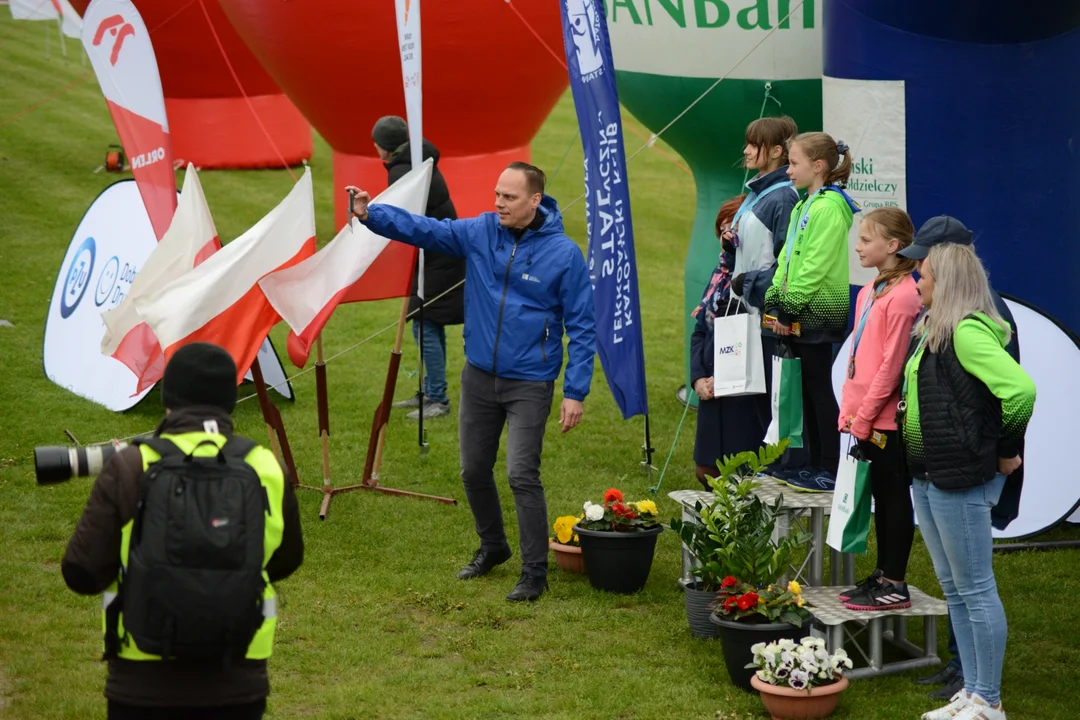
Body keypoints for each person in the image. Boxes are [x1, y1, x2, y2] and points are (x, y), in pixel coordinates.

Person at [345, 162, 595, 602]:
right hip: (479, 374)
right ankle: (493, 546)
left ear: (535, 201)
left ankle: (534, 571)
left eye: (509, 197)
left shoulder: (564, 255)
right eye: (497, 194)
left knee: (521, 474)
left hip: (530, 382)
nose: (498, 202)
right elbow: (427, 231)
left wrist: (574, 392)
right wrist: (372, 215)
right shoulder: (481, 231)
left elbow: (583, 325)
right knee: (473, 469)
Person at [62, 342, 304, 720]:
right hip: (237, 677)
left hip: (142, 677)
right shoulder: (267, 467)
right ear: (230, 400)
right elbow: (286, 560)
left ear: (167, 397)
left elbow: (82, 572)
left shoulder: (132, 463)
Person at [901, 243, 1035, 720]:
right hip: (931, 475)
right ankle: (974, 692)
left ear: (948, 282)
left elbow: (1020, 390)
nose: (917, 282)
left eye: (924, 275)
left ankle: (989, 700)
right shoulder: (935, 328)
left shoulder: (966, 333)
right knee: (955, 589)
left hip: (960, 478)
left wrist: (1005, 451)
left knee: (975, 589)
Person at [835, 208, 922, 612]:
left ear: (893, 246)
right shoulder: (871, 290)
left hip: (885, 419)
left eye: (866, 240)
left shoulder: (905, 295)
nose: (858, 246)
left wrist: (867, 414)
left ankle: (896, 582)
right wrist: (851, 409)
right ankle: (883, 574)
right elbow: (860, 357)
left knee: (892, 497)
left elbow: (891, 366)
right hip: (864, 414)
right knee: (878, 499)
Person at [763, 132, 860, 491]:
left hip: (818, 312)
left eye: (793, 163)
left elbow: (814, 267)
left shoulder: (830, 207)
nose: (788, 170)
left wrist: (787, 307)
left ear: (817, 167)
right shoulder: (806, 204)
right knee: (800, 390)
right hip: (798, 309)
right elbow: (787, 259)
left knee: (819, 390)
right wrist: (775, 299)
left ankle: (829, 468)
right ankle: (804, 463)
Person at [372, 116, 466, 421]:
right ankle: (429, 392)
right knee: (425, 322)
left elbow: (401, 219)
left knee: (425, 324)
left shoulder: (402, 171)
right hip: (439, 249)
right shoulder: (418, 159)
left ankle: (437, 398)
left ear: (384, 149)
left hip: (439, 255)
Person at [727, 115, 801, 438]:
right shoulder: (759, 192)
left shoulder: (784, 197)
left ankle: (781, 470)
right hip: (749, 311)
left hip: (768, 319)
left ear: (774, 152)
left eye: (753, 145)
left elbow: (787, 263)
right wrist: (729, 244)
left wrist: (754, 287)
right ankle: (767, 469)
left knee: (773, 404)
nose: (745, 150)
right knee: (756, 403)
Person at [690, 194, 758, 488]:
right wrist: (697, 379)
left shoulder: (752, 280)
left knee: (740, 471)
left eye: (733, 230)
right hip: (711, 388)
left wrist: (724, 378)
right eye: (723, 231)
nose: (726, 238)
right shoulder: (718, 276)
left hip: (740, 391)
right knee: (705, 469)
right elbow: (699, 331)